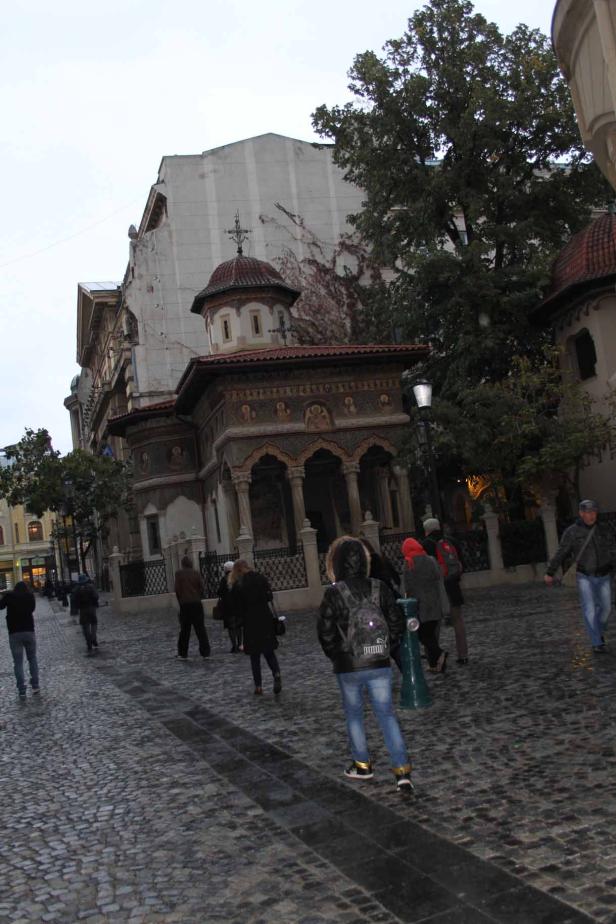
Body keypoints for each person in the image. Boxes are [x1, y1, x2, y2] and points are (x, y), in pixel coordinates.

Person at [317, 537, 413, 794]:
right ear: (365, 561)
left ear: (336, 564)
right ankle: (402, 770)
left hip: (348, 666)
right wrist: (384, 645)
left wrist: (337, 655)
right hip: (379, 660)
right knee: (387, 714)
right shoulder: (378, 587)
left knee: (354, 715)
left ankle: (362, 765)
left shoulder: (334, 592)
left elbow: (324, 631)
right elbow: (396, 621)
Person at [545, 499, 616, 653]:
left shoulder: (605, 528)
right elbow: (562, 552)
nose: (592, 515)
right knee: (589, 609)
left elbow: (612, 549)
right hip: (585, 575)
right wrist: (550, 572)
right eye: (588, 512)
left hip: (604, 574)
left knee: (606, 608)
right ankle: (597, 642)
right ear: (581, 513)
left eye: (594, 512)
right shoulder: (572, 532)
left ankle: (598, 630)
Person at [228, 560, 281, 695]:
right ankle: (276, 673)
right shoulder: (260, 578)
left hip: (250, 621)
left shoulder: (238, 584)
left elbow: (236, 607)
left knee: (254, 655)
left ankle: (258, 686)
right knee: (269, 651)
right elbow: (269, 596)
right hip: (265, 618)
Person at [421, 518, 469, 665]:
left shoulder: (425, 544)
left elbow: (425, 570)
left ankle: (434, 657)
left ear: (426, 530)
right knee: (458, 621)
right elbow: (462, 564)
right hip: (453, 586)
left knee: (434, 625)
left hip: (436, 590)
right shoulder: (452, 542)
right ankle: (463, 655)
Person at [401, 538, 448, 673]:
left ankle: (440, 654)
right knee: (430, 634)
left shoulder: (408, 562)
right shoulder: (430, 560)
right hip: (434, 603)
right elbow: (437, 576)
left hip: (420, 606)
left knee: (423, 635)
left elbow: (407, 586)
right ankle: (436, 664)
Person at [1, 581, 40, 698]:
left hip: (14, 633)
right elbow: (32, 609)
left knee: (18, 663)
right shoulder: (29, 596)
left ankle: (22, 690)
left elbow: (0, 606)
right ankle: (35, 685)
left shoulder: (9, 597)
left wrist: (4, 596)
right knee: (32, 659)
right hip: (29, 631)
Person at [174, 556, 210, 660]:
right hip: (196, 603)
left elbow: (177, 589)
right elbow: (201, 587)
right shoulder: (196, 573)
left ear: (182, 564)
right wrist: (197, 596)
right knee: (200, 629)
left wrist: (181, 601)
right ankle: (205, 652)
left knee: (185, 630)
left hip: (185, 604)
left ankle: (182, 653)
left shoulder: (179, 574)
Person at [217, 560, 242, 652]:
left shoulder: (224, 579)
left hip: (228, 607)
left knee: (231, 627)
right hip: (238, 606)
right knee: (239, 626)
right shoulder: (237, 578)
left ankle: (234, 646)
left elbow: (219, 592)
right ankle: (240, 645)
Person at [73, 574, 100, 656]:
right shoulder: (91, 587)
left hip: (82, 610)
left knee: (85, 626)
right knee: (94, 623)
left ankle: (89, 642)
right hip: (91, 608)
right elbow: (96, 596)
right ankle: (93, 637)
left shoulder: (76, 589)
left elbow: (74, 599)